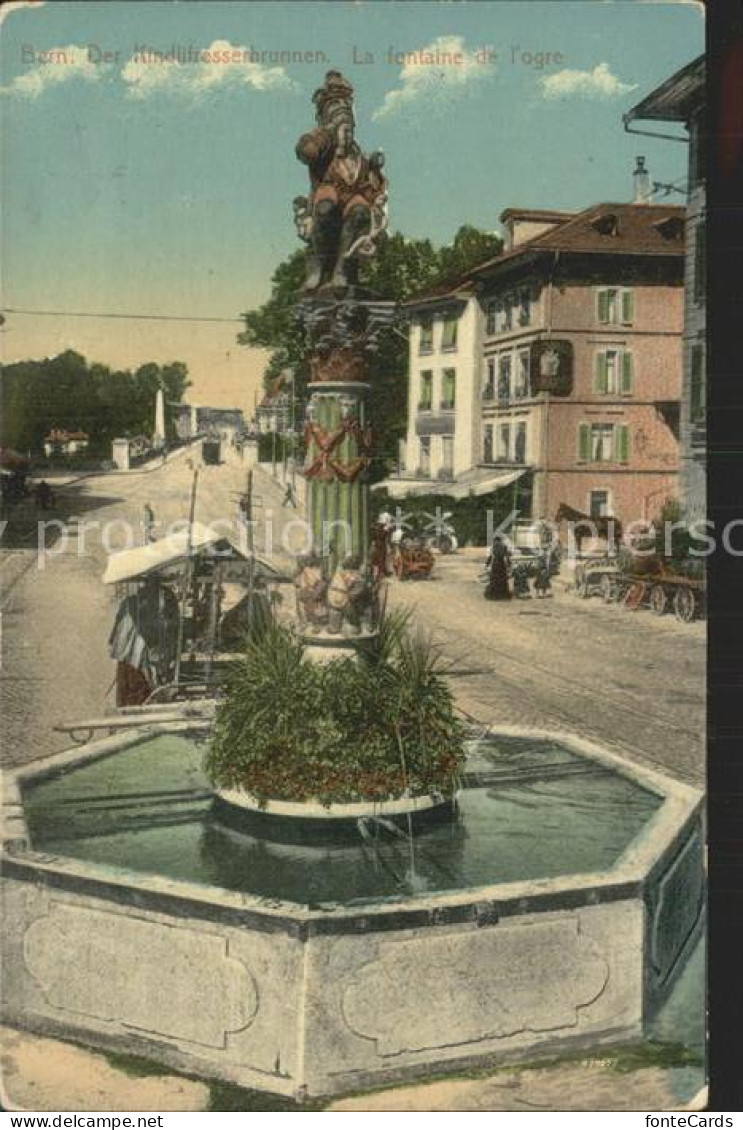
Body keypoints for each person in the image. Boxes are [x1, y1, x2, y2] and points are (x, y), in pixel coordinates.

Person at [327, 553, 366, 634]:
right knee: (354, 617)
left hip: (331, 598)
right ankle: (354, 625)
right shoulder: (353, 574)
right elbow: (358, 587)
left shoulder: (338, 573)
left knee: (335, 620)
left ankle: (334, 626)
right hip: (342, 600)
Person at [484, 534, 511, 601]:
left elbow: (490, 557)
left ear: (495, 540)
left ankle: (494, 594)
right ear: (500, 540)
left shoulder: (493, 547)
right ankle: (502, 595)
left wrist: (486, 564)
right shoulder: (504, 546)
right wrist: (509, 565)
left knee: (494, 579)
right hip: (502, 564)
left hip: (495, 564)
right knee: (502, 579)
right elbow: (507, 557)